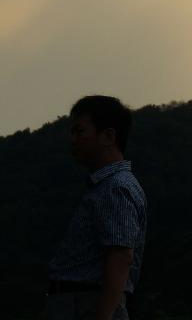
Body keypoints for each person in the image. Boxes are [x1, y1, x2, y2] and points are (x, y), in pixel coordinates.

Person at [46, 96, 147, 320]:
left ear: (108, 136)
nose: (73, 139)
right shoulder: (105, 186)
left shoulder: (115, 187)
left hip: (87, 304)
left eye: (79, 131)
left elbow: (120, 256)